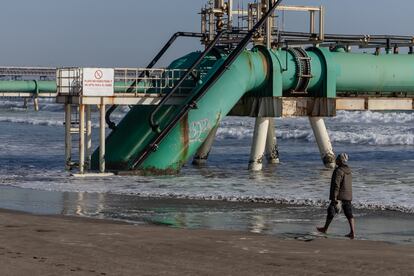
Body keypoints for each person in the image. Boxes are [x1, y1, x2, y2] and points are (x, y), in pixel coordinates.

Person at [317, 153, 355, 239]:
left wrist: (334, 198)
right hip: (348, 195)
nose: (336, 160)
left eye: (337, 158)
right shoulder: (349, 170)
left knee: (331, 211)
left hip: (339, 196)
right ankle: (352, 232)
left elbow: (336, 185)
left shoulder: (339, 171)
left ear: (340, 161)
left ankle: (325, 229)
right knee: (349, 213)